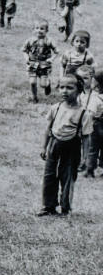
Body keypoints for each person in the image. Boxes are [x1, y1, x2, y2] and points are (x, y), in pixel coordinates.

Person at [38, 75, 92, 217]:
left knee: (68, 178)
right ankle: (48, 206)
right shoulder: (55, 108)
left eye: (69, 87)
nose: (64, 91)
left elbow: (86, 138)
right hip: (54, 146)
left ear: (79, 90)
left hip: (72, 148)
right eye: (62, 87)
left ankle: (65, 208)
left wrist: (85, 158)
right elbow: (48, 129)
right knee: (49, 176)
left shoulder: (84, 113)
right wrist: (44, 147)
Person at [22, 20, 58, 103]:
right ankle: (34, 97)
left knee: (43, 84)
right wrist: (26, 57)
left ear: (46, 30)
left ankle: (47, 84)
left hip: (44, 65)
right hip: (32, 64)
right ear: (34, 29)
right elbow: (24, 50)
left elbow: (57, 52)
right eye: (37, 28)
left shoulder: (49, 41)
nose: (39, 30)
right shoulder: (30, 40)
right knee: (32, 82)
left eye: (42, 29)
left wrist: (51, 59)